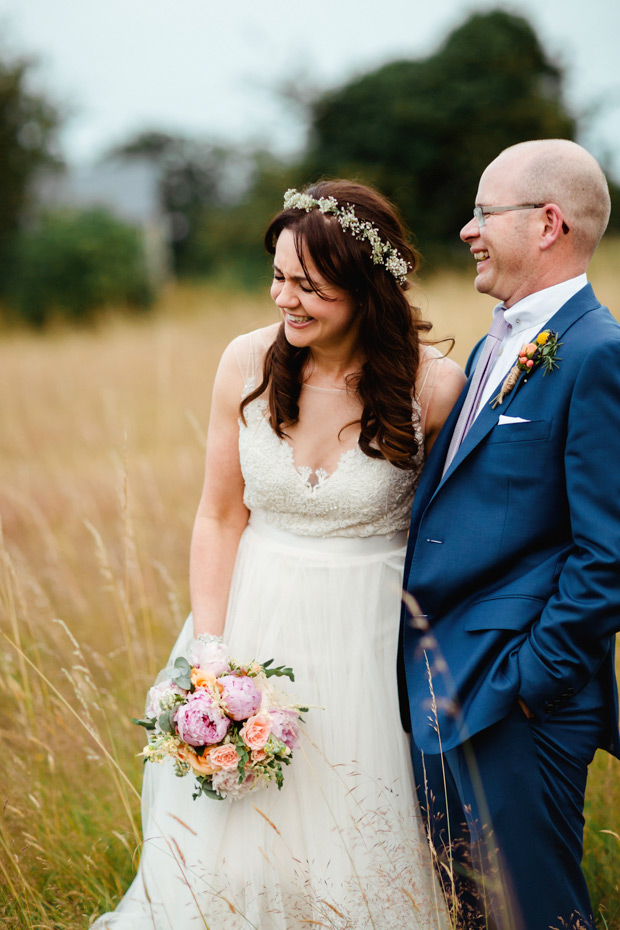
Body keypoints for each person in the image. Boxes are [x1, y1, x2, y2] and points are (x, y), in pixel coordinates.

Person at [92, 179, 465, 930]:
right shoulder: (245, 362)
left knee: (356, 839)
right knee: (231, 844)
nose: (283, 299)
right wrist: (209, 651)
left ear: (364, 289)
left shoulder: (433, 387)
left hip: (370, 641)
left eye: (308, 286)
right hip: (255, 616)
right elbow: (219, 515)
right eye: (278, 277)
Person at [400, 139, 620, 930]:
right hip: (438, 686)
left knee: (538, 914)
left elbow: (610, 553)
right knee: (471, 913)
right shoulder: (497, 341)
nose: (468, 230)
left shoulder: (598, 353)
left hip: (515, 699)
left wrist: (531, 683)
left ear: (548, 223)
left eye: (483, 212)